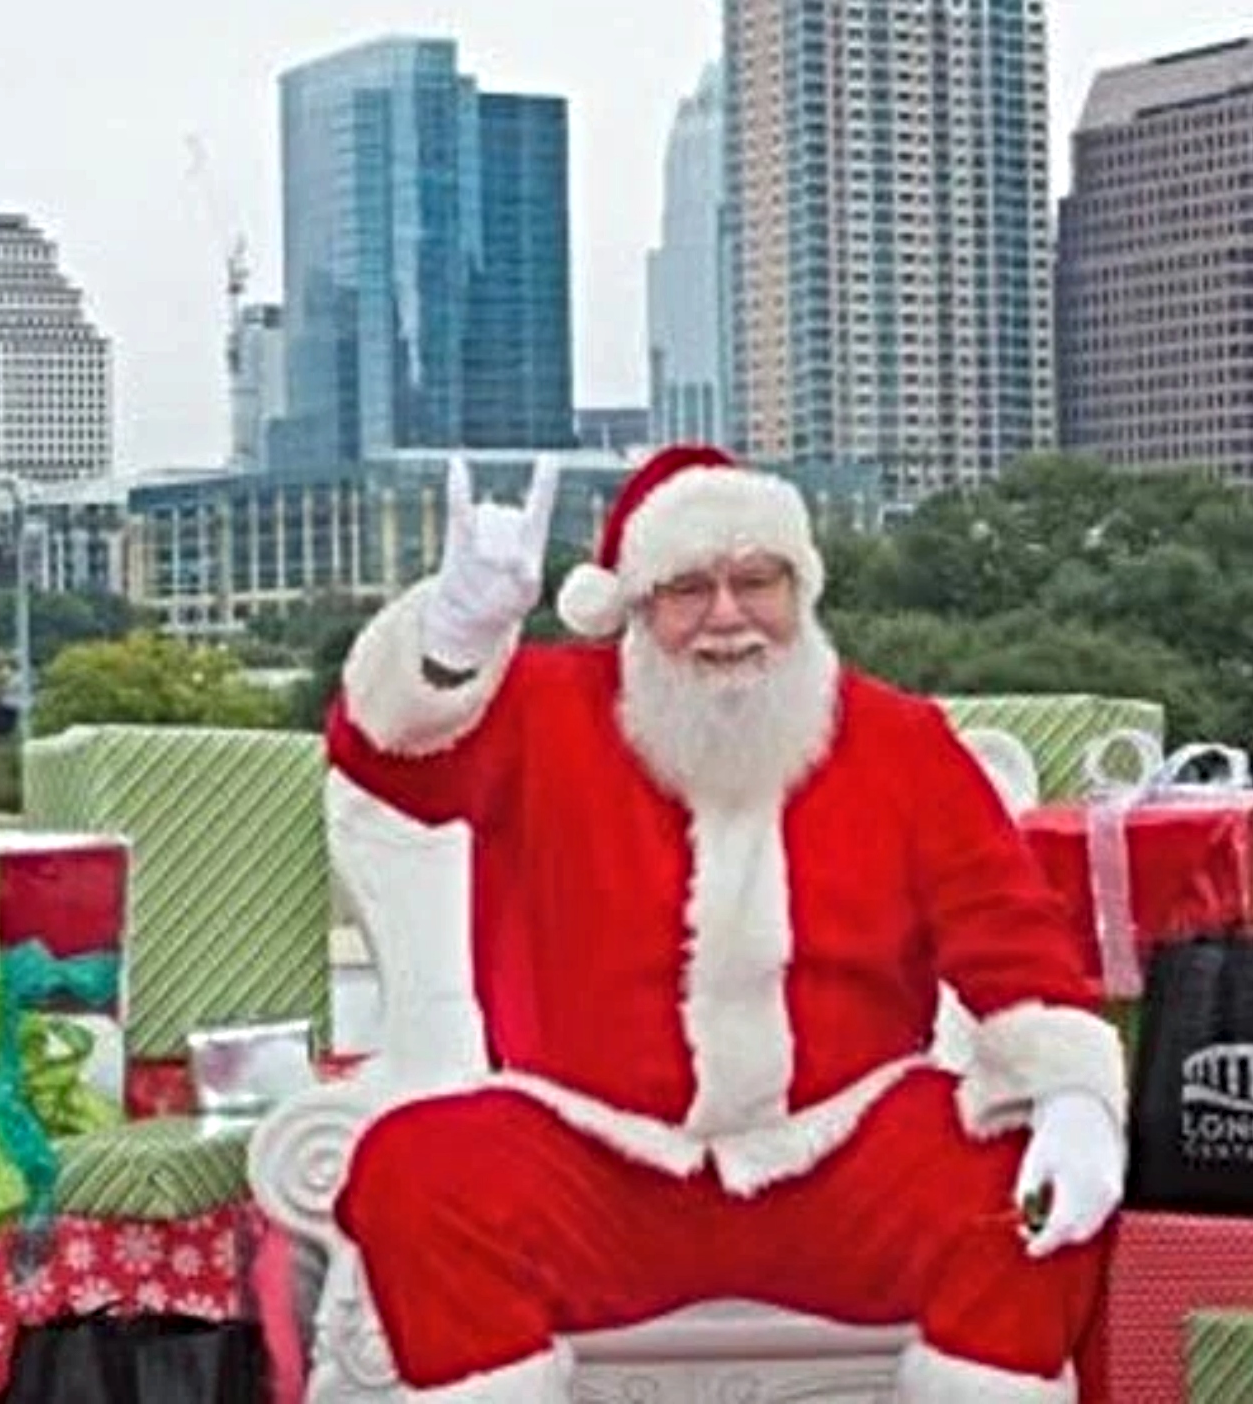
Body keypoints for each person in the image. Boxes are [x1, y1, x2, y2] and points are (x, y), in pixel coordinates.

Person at [325, 443, 1130, 1402]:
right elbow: (391, 761)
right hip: (595, 1158)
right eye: (686, 588)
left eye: (758, 580)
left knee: (1034, 1190)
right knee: (412, 1177)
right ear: (633, 606)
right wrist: (453, 638)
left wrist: (1074, 1098)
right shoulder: (541, 711)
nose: (727, 615)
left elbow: (1008, 931)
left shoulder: (899, 740)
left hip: (843, 1151)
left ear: (803, 589)